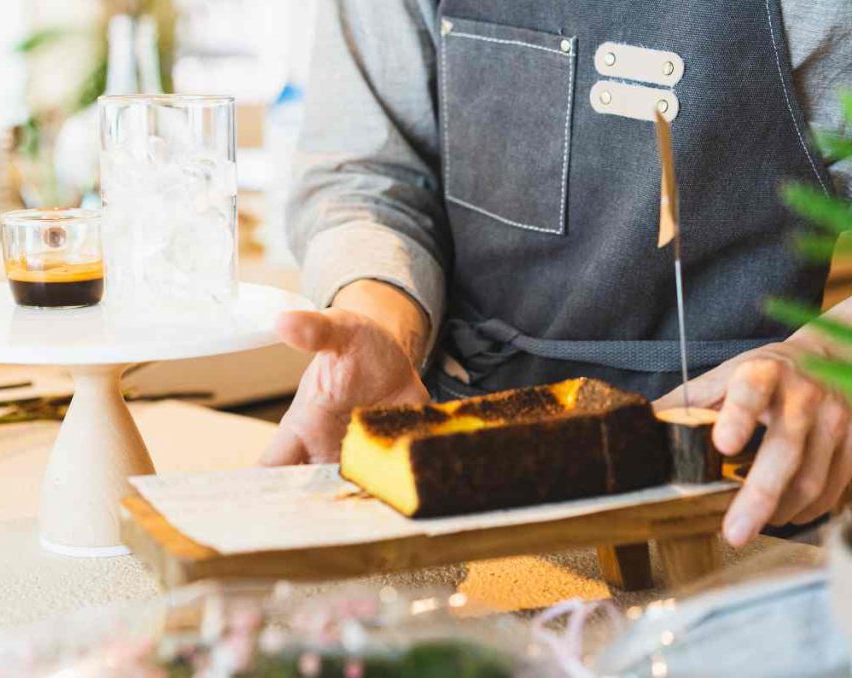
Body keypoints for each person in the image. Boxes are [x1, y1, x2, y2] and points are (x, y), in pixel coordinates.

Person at [262, 0, 852, 549]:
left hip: (736, 478)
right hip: (455, 464)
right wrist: (382, 324)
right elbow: (371, 171)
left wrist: (831, 358)